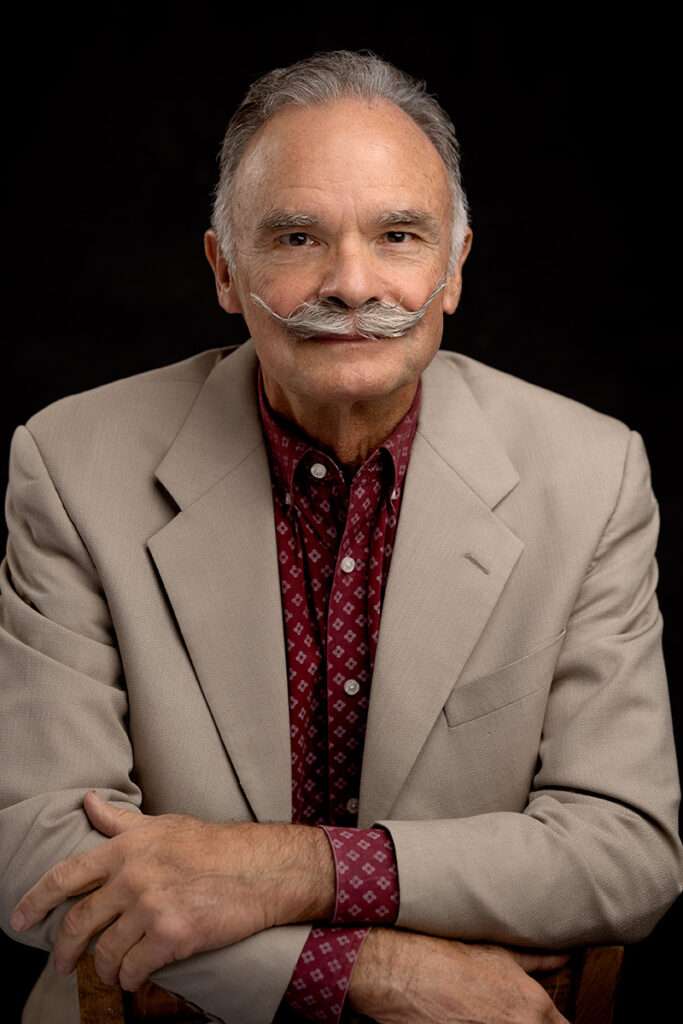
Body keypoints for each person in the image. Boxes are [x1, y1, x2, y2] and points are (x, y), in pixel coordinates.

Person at [1, 48, 681, 1024]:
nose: (352, 283)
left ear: (452, 270)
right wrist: (369, 972)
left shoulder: (590, 473)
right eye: (295, 237)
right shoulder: (72, 464)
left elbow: (627, 852)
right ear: (224, 271)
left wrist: (293, 870)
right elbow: (41, 860)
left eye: (398, 235)